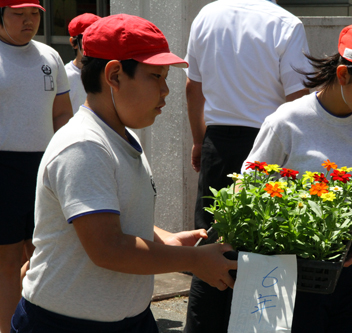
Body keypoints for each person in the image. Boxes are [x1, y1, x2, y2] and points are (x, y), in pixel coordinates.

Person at [10, 14, 237, 333]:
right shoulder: (84, 145)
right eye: (156, 77)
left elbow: (116, 210)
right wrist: (194, 261)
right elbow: (108, 247)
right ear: (114, 75)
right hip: (65, 323)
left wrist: (166, 239)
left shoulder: (119, 136)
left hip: (128, 318)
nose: (166, 91)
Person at [241, 22, 352, 332]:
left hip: (348, 264)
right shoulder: (286, 121)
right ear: (342, 74)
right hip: (286, 270)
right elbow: (248, 189)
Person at [184, 0, 311, 331]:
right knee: (267, 253)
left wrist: (200, 140)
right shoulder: (285, 23)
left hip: (218, 143)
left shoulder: (207, 15)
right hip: (271, 147)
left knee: (210, 246)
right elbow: (299, 99)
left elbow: (192, 87)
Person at [0, 0, 73, 331]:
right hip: (4, 165)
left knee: (43, 251)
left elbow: (62, 113)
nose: (28, 21)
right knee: (7, 256)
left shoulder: (50, 56)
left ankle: (36, 323)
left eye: (34, 14)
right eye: (18, 14)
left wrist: (66, 155)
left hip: (45, 164)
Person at [65, 12, 100, 114]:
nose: (95, 43)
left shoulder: (106, 73)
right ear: (73, 42)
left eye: (98, 38)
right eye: (89, 38)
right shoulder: (65, 76)